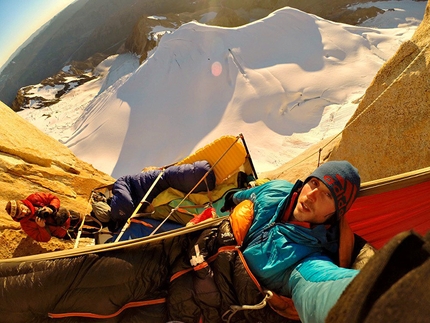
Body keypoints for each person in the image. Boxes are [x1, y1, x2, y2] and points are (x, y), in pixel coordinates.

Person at [221, 160, 369, 322]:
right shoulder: (274, 190)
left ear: (335, 213)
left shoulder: (309, 258)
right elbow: (241, 195)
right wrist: (231, 198)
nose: (312, 196)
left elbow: (323, 288)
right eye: (314, 183)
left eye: (328, 195)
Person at [5, 192, 71, 242]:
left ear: (22, 203)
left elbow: (53, 198)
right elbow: (43, 239)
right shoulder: (26, 225)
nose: (24, 212)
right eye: (20, 214)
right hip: (64, 234)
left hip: (70, 217)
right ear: (18, 217)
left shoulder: (34, 198)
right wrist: (42, 227)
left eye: (22, 208)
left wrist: (51, 208)